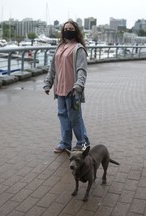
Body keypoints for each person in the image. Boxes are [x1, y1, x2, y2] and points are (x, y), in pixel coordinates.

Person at [43, 20, 90, 153]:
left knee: (75, 118)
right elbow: (53, 68)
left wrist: (79, 86)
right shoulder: (60, 47)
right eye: (65, 29)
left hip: (73, 90)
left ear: (76, 31)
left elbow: (82, 70)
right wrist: (48, 83)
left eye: (70, 28)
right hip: (60, 90)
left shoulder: (78, 49)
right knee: (63, 116)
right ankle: (65, 143)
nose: (68, 31)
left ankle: (83, 143)